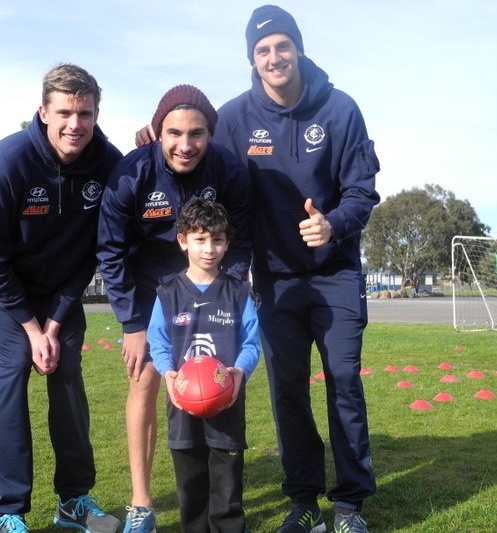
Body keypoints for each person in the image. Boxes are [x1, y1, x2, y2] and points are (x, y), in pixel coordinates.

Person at [135, 6, 381, 533]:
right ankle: (302, 500)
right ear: (253, 58)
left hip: (334, 273)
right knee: (287, 389)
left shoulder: (341, 110)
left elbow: (364, 189)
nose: (274, 57)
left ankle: (349, 505)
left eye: (282, 46)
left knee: (342, 382)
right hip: (272, 280)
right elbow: (193, 154)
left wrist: (334, 224)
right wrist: (156, 146)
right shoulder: (234, 119)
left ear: (298, 48)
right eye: (262, 50)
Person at [0, 63, 123, 533]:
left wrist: (54, 325)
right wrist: (32, 329)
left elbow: (94, 252)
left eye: (86, 113)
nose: (76, 124)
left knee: (67, 370)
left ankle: (73, 500)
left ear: (96, 113)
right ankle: (7, 510)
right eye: (65, 112)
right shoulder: (6, 162)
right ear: (44, 111)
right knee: (14, 367)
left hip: (60, 286)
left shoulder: (108, 164)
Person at [97, 85, 252, 533]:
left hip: (209, 276)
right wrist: (132, 323)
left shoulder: (229, 171)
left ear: (210, 134)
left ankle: (220, 487)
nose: (186, 144)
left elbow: (240, 241)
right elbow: (110, 250)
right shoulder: (132, 173)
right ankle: (142, 504)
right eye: (175, 132)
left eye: (197, 133)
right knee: (146, 374)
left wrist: (227, 292)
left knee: (219, 368)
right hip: (151, 283)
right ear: (157, 132)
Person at [148, 198, 260, 533]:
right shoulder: (168, 292)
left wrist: (240, 371)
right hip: (182, 403)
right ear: (183, 241)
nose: (208, 248)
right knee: (191, 483)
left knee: (226, 486)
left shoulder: (238, 292)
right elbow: (159, 341)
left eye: (217, 240)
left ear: (227, 244)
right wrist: (167, 371)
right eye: (200, 239)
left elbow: (252, 342)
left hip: (226, 404)